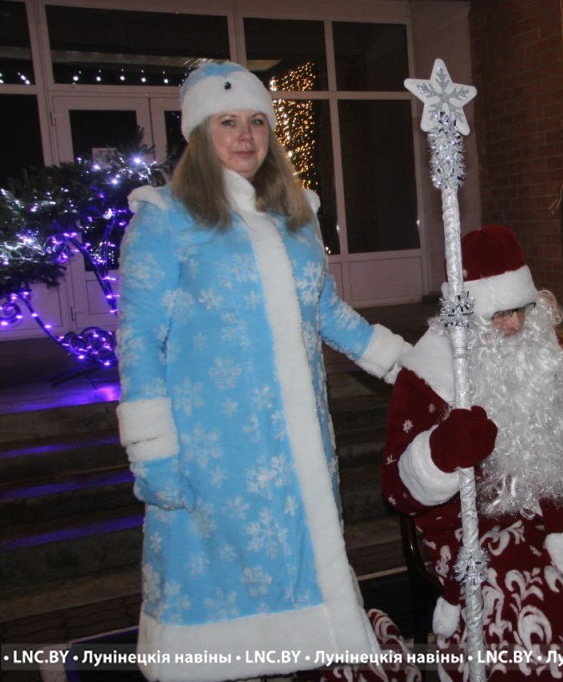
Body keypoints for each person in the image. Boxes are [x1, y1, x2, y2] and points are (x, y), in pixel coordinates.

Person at [116, 60, 412, 682]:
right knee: (222, 610)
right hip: (213, 453)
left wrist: (409, 366)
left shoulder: (294, 216)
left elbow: (326, 311)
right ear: (199, 133)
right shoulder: (165, 217)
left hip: (296, 451)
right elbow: (139, 338)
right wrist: (153, 450)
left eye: (256, 121)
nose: (246, 135)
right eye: (227, 121)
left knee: (302, 589)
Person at [381, 225, 563, 681]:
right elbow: (395, 490)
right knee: (527, 608)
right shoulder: (425, 377)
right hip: (467, 531)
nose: (514, 326)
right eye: (499, 314)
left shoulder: (539, 348)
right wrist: (441, 454)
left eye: (520, 310)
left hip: (548, 512)